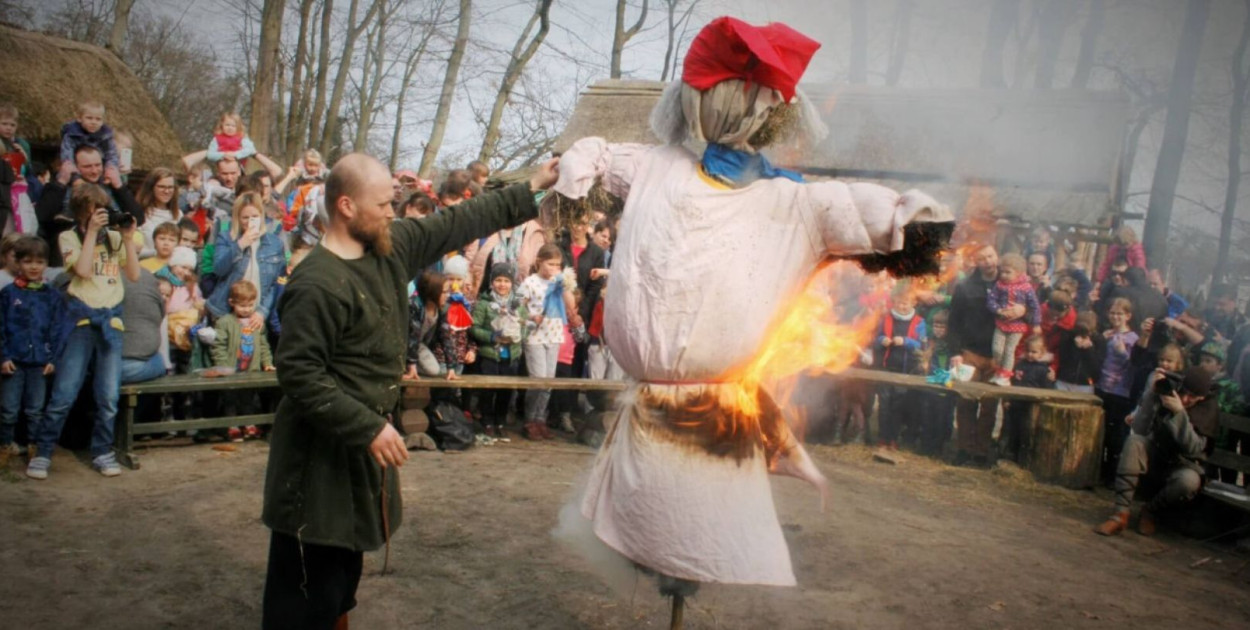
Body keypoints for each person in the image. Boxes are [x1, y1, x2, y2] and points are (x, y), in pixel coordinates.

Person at [556, 16, 953, 590]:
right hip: (651, 404)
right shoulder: (658, 168)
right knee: (656, 526)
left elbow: (888, 217)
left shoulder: (792, 200)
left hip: (714, 412)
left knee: (697, 536)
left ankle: (678, 573)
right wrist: (572, 179)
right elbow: (592, 154)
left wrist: (913, 220)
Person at [260, 152, 559, 629]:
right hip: (315, 466)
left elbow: (460, 219)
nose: (392, 213)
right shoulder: (315, 282)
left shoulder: (389, 246)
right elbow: (299, 374)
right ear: (345, 207)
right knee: (304, 598)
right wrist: (368, 427)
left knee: (339, 587)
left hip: (359, 453)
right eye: (382, 205)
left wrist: (535, 186)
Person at [26, 184, 140, 480]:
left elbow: (134, 275)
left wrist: (127, 239)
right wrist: (90, 233)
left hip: (112, 322)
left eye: (103, 209)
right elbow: (85, 271)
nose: (101, 215)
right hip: (80, 322)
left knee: (108, 396)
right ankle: (43, 451)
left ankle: (102, 451)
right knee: (64, 392)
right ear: (81, 212)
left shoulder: (114, 238)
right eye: (94, 210)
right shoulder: (68, 236)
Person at [1094, 367, 1218, 536]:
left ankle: (1150, 511)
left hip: (1184, 464)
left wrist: (1179, 413)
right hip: (1159, 455)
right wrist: (1151, 394)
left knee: (1188, 481)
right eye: (1185, 392)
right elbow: (1139, 429)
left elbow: (1193, 448)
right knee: (1134, 443)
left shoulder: (1208, 408)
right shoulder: (1170, 392)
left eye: (1193, 397)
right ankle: (1120, 514)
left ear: (1202, 397)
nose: (1186, 399)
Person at [0, 237, 64, 467]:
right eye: (27, 261)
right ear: (17, 263)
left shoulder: (52, 296)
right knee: (8, 409)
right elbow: (1, 328)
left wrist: (53, 358)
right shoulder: (8, 294)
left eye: (39, 261)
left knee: (35, 410)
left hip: (40, 362)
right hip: (14, 361)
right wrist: (4, 356)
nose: (34, 267)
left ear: (46, 263)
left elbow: (57, 329)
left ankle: (34, 447)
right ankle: (5, 445)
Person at [950, 244, 1015, 466]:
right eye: (982, 258)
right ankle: (963, 449)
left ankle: (981, 452)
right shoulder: (966, 287)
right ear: (975, 262)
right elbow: (954, 322)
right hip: (970, 352)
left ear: (996, 256)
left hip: (997, 356)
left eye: (990, 255)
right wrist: (955, 352)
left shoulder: (1010, 284)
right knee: (966, 402)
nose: (987, 261)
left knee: (989, 406)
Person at [35, 145, 144, 269]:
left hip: (106, 257)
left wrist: (119, 186)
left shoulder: (110, 186)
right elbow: (42, 216)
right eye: (87, 166)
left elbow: (138, 219)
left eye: (98, 165)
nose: (94, 171)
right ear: (74, 167)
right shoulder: (61, 187)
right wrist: (61, 183)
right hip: (70, 255)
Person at [516, 244, 576, 440]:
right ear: (539, 261)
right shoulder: (530, 282)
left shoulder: (558, 283)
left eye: (558, 265)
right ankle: (530, 419)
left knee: (549, 380)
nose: (554, 268)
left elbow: (571, 306)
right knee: (538, 379)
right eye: (550, 264)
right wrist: (531, 317)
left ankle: (541, 419)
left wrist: (566, 285)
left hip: (554, 333)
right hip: (535, 336)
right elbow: (516, 307)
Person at [206, 193, 285, 324]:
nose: (250, 222)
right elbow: (219, 269)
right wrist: (240, 244)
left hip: (256, 315)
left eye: (254, 217)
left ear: (262, 216)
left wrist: (262, 312)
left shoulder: (275, 243)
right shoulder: (226, 238)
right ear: (237, 217)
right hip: (226, 312)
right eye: (245, 217)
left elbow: (276, 282)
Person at [470, 262, 528, 437]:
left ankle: (500, 422)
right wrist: (491, 336)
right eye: (498, 280)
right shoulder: (484, 304)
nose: (502, 284)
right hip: (490, 354)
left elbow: (524, 327)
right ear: (492, 282)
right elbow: (474, 328)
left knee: (506, 390)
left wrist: (518, 335)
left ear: (512, 283)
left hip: (511, 355)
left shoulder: (518, 305)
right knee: (488, 390)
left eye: (506, 281)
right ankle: (487, 421)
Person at [212, 280, 274, 441]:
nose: (247, 309)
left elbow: (263, 344)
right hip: (232, 369)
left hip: (251, 369)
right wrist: (224, 367)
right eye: (242, 305)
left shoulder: (256, 323)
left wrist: (267, 363)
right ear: (232, 303)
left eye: (250, 305)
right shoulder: (225, 322)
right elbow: (218, 346)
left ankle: (249, 424)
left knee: (248, 399)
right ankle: (232, 426)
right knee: (230, 399)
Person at [873, 283, 926, 450]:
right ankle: (882, 437)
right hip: (887, 367)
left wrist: (906, 341)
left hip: (905, 369)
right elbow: (876, 339)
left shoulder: (919, 322)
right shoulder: (887, 319)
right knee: (884, 405)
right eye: (899, 303)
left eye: (906, 303)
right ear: (893, 302)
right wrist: (882, 340)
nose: (902, 306)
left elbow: (922, 345)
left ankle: (893, 439)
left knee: (898, 406)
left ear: (913, 303)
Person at [1098, 297, 1139, 482]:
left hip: (1120, 391)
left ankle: (1112, 474)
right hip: (1102, 387)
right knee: (1101, 432)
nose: (1115, 317)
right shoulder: (1107, 334)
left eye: (1119, 314)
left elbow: (1135, 365)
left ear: (1128, 316)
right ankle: (1098, 469)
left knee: (1116, 436)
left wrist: (1123, 351)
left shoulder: (1133, 338)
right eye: (1113, 313)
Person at [987, 252, 1041, 386]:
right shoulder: (999, 285)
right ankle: (999, 371)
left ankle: (1005, 376)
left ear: (1018, 273)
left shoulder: (1026, 287)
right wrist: (998, 310)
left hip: (1018, 326)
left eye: (1008, 272)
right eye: (1002, 272)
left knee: (1010, 350)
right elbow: (991, 300)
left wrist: (1036, 323)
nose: (1003, 275)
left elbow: (1034, 305)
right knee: (997, 349)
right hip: (1001, 323)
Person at [1001, 336, 1055, 462]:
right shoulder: (1020, 365)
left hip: (1031, 407)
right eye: (1028, 351)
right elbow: (1012, 383)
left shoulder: (1044, 370)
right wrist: (1007, 399)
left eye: (1034, 352)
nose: (1030, 354)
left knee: (1027, 433)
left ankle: (1024, 460)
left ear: (1042, 353)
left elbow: (1048, 391)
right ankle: (1008, 455)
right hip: (1015, 404)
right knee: (1010, 430)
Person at [917, 308, 956, 455]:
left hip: (946, 387)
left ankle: (939, 447)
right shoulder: (929, 343)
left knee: (943, 418)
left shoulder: (952, 346)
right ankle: (926, 446)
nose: (938, 330)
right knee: (927, 416)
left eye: (942, 327)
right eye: (936, 326)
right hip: (930, 386)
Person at [59, 100, 120, 180]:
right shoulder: (72, 135)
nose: (93, 122)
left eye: (98, 119)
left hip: (99, 173)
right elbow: (67, 156)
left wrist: (110, 168)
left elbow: (112, 154)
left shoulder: (105, 137)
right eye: (89, 118)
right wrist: (74, 177)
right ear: (79, 118)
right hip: (76, 170)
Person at [1055, 311, 1105, 394]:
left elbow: (1096, 367)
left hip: (1085, 383)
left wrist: (1089, 349)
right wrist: (1076, 348)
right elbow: (1063, 360)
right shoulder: (1068, 336)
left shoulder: (1099, 340)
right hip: (1064, 380)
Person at [136, 168, 181, 258]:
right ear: (151, 188)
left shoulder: (178, 215)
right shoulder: (139, 213)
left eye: (170, 187)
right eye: (162, 187)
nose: (166, 191)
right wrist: (156, 253)